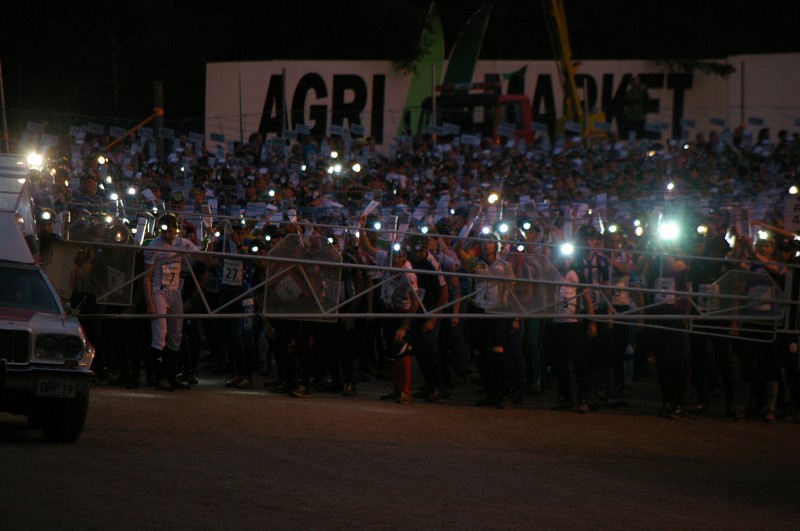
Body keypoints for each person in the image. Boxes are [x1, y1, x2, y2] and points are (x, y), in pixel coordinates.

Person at [359, 217, 419, 404]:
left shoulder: (408, 273)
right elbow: (367, 247)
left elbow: (416, 302)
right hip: (387, 310)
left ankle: (405, 391)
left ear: (405, 257)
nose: (397, 260)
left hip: (402, 313)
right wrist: (361, 228)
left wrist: (404, 326)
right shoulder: (385, 258)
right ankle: (397, 388)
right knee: (391, 353)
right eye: (395, 256)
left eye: (401, 257)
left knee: (402, 352)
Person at [142, 213, 203, 391]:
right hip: (158, 292)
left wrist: (208, 243)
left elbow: (200, 254)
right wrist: (149, 302)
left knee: (176, 334)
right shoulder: (154, 246)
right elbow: (146, 276)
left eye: (171, 231)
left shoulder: (181, 242)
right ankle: (159, 377)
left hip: (175, 292)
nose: (168, 234)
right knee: (160, 334)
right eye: (165, 231)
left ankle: (171, 375)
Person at [454, 231, 513, 409]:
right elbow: (458, 250)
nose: (486, 245)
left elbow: (512, 290)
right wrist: (469, 232)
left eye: (490, 242)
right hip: (478, 309)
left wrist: (515, 316)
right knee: (480, 353)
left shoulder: (505, 266)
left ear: (496, 246)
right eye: (483, 242)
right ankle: (490, 392)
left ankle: (504, 393)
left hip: (498, 311)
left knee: (498, 352)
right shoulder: (474, 263)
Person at [621, 75, 648, 140]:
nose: (637, 84)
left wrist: (645, 91)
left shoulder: (642, 93)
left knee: (642, 135)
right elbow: (635, 99)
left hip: (640, 117)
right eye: (636, 82)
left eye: (638, 82)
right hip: (632, 118)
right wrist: (640, 91)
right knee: (632, 135)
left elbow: (647, 100)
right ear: (632, 83)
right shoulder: (628, 93)